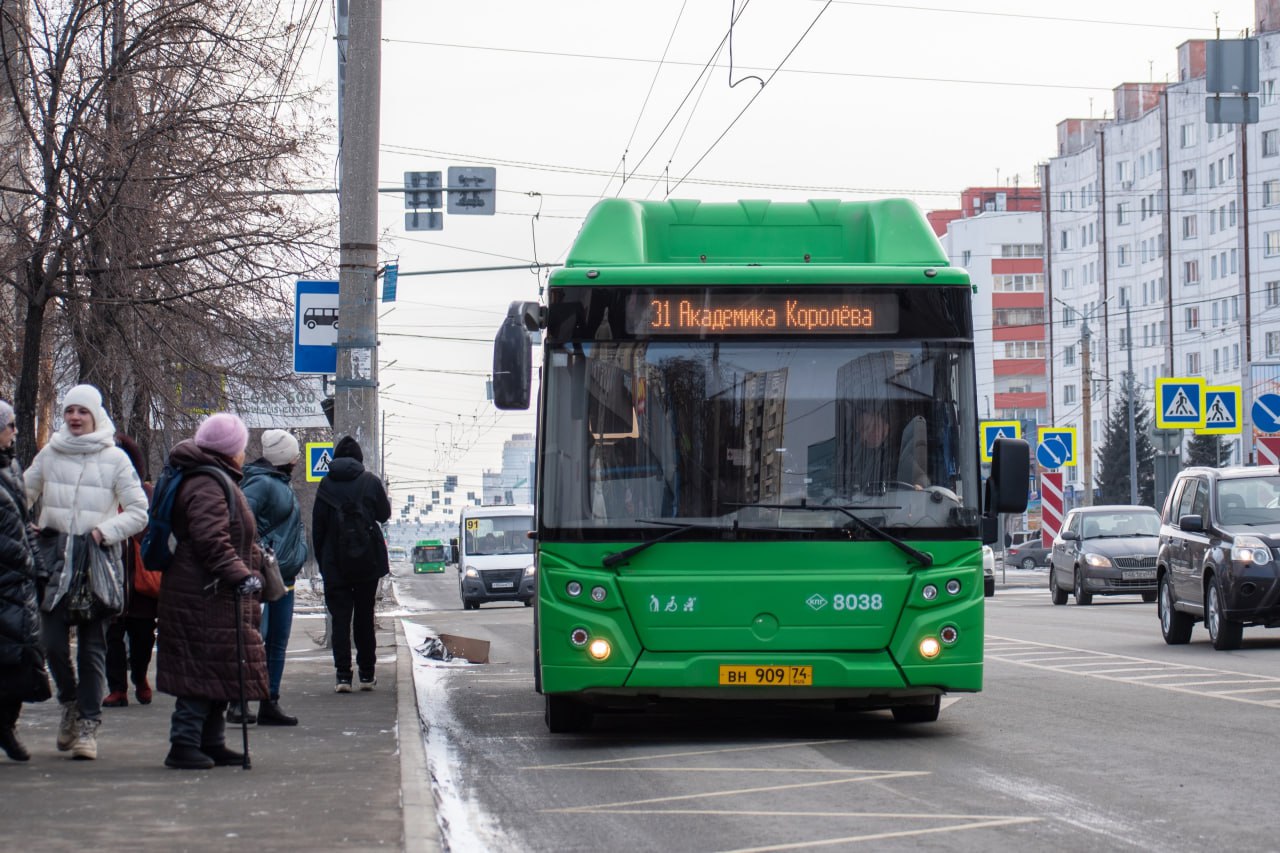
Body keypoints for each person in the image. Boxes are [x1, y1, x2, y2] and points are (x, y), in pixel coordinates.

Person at [24, 384, 148, 761]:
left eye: (82, 412)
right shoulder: (50, 454)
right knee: (52, 644)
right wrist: (24, 523)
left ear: (96, 415)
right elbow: (20, 495)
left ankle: (88, 727)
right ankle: (71, 704)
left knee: (93, 647)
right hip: (53, 562)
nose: (75, 418)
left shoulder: (114, 459)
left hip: (96, 564)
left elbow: (138, 511)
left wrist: (103, 531)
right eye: (69, 411)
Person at [155, 412, 269, 770]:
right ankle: (183, 744)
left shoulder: (214, 478)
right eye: (242, 447)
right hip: (203, 592)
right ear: (231, 450)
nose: (244, 454)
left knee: (219, 666)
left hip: (212, 591)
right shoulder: (207, 482)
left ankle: (212, 741)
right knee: (200, 669)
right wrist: (240, 575)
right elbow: (211, 539)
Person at [229, 428, 306, 726]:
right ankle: (241, 700)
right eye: (294, 454)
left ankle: (268, 700)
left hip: (282, 577)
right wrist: (261, 552)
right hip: (265, 577)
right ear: (285, 458)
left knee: (276, 642)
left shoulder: (277, 483)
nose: (297, 459)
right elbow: (240, 521)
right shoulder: (261, 484)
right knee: (256, 641)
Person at [313, 436, 390, 692]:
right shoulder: (370, 482)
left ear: (334, 459)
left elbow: (318, 529)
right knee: (364, 618)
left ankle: (343, 677)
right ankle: (367, 675)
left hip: (335, 565)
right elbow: (384, 515)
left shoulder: (325, 485)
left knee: (340, 620)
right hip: (367, 563)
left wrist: (324, 564)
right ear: (359, 459)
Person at [0, 400, 51, 761]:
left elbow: (22, 518)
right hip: (8, 577)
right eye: (10, 425)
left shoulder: (12, 467)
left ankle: (6, 725)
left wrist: (38, 563)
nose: (15, 432)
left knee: (22, 658)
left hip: (18, 582)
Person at [102, 433, 157, 708]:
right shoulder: (101, 492)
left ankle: (140, 677)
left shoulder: (145, 493)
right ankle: (117, 689)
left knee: (143, 636)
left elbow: (156, 529)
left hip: (141, 581)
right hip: (111, 575)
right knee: (112, 636)